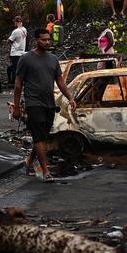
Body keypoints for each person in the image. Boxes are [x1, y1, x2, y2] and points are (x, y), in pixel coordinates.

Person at [12, 27, 77, 182]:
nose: (47, 42)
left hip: (49, 103)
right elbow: (18, 84)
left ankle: (28, 161)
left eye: (48, 40)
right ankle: (46, 172)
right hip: (33, 103)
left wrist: (70, 97)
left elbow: (60, 81)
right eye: (44, 40)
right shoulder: (26, 59)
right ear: (36, 40)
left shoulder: (53, 59)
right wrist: (16, 107)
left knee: (42, 137)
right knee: (40, 137)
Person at [7, 14, 28, 84]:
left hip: (15, 52)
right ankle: (18, 81)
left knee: (15, 69)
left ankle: (15, 82)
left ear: (16, 22)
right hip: (22, 52)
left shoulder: (16, 31)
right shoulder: (24, 29)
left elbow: (9, 41)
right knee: (20, 68)